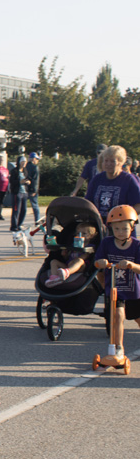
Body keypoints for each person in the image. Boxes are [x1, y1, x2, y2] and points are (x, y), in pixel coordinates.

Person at [94, 206, 140, 364]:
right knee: (118, 316)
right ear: (111, 228)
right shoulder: (106, 243)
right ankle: (118, 349)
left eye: (124, 228)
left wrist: (131, 265)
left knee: (137, 318)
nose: (120, 232)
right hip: (115, 289)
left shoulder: (137, 245)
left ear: (132, 228)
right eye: (117, 228)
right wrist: (100, 263)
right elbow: (97, 262)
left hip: (133, 291)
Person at [85, 145, 140, 226]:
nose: (108, 164)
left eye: (112, 161)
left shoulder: (129, 180)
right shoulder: (97, 179)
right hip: (99, 226)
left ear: (120, 162)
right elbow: (88, 203)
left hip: (120, 228)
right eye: (106, 161)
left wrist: (124, 218)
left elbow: (138, 206)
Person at [45, 221, 98, 287]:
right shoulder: (73, 244)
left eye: (84, 233)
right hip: (68, 265)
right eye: (78, 233)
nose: (80, 235)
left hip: (80, 267)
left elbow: (86, 256)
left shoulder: (91, 246)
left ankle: (67, 272)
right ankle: (54, 278)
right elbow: (68, 257)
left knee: (79, 260)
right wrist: (65, 255)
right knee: (53, 262)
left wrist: (74, 260)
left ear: (91, 236)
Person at [8, 155, 30, 232]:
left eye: (25, 162)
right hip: (17, 193)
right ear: (19, 162)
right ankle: (14, 226)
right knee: (16, 210)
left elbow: (28, 178)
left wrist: (28, 182)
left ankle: (19, 224)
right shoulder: (14, 171)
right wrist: (19, 182)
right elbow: (12, 181)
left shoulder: (25, 171)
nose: (24, 163)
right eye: (22, 162)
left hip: (24, 192)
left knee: (24, 210)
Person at [26, 152, 41, 224]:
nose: (37, 161)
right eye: (37, 159)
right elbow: (35, 180)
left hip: (25, 188)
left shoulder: (25, 166)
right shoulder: (35, 167)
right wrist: (35, 190)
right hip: (32, 189)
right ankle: (37, 220)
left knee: (22, 206)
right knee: (35, 206)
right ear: (34, 159)